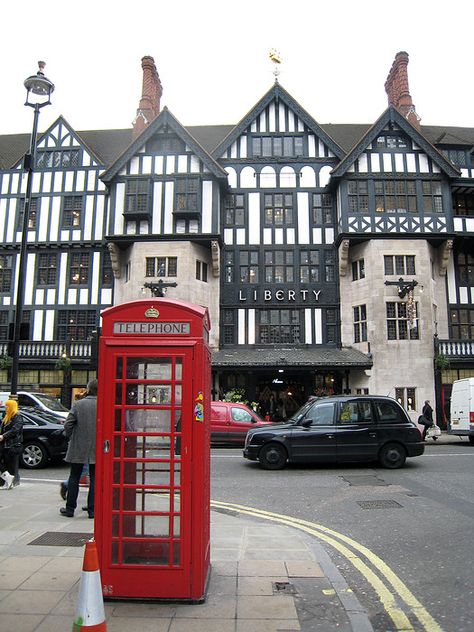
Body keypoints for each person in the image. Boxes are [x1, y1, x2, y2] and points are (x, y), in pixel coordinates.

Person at [60, 379, 98, 518]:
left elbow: (68, 425)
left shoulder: (78, 404)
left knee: (74, 477)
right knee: (94, 479)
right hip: (98, 447)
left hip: (79, 445)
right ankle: (92, 510)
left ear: (88, 389)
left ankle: (70, 509)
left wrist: (70, 437)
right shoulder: (105, 404)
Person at [0, 399, 23, 489]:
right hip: (6, 444)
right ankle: (8, 481)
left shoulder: (17, 416)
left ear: (11, 407)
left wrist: (3, 436)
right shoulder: (8, 416)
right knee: (6, 463)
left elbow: (15, 429)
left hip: (12, 445)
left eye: (7, 405)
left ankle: (8, 480)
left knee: (9, 464)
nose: (5, 407)